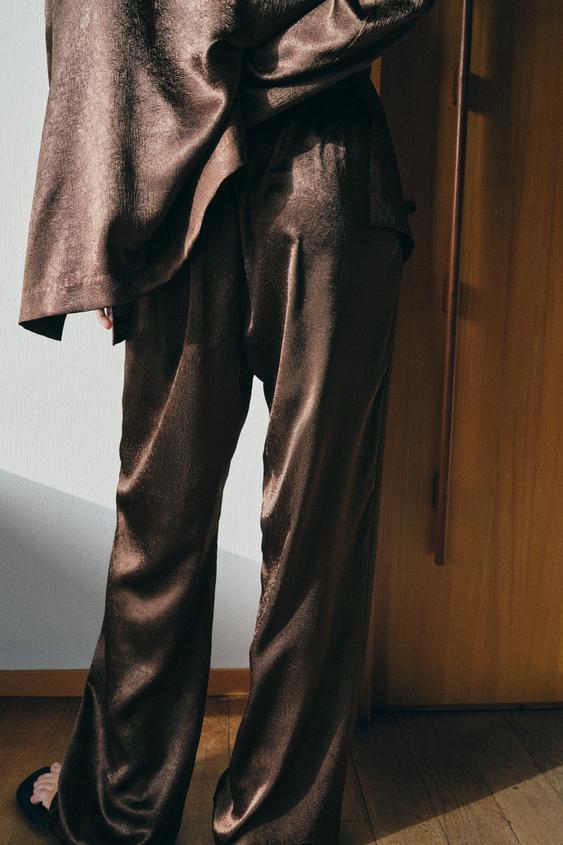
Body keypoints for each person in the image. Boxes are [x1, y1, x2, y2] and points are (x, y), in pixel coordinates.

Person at [15, 1, 437, 843]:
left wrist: (196, 102)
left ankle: (121, 804)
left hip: (182, 174)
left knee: (160, 521)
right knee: (312, 529)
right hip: (319, 166)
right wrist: (253, 73)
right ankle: (274, 824)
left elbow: (97, 23)